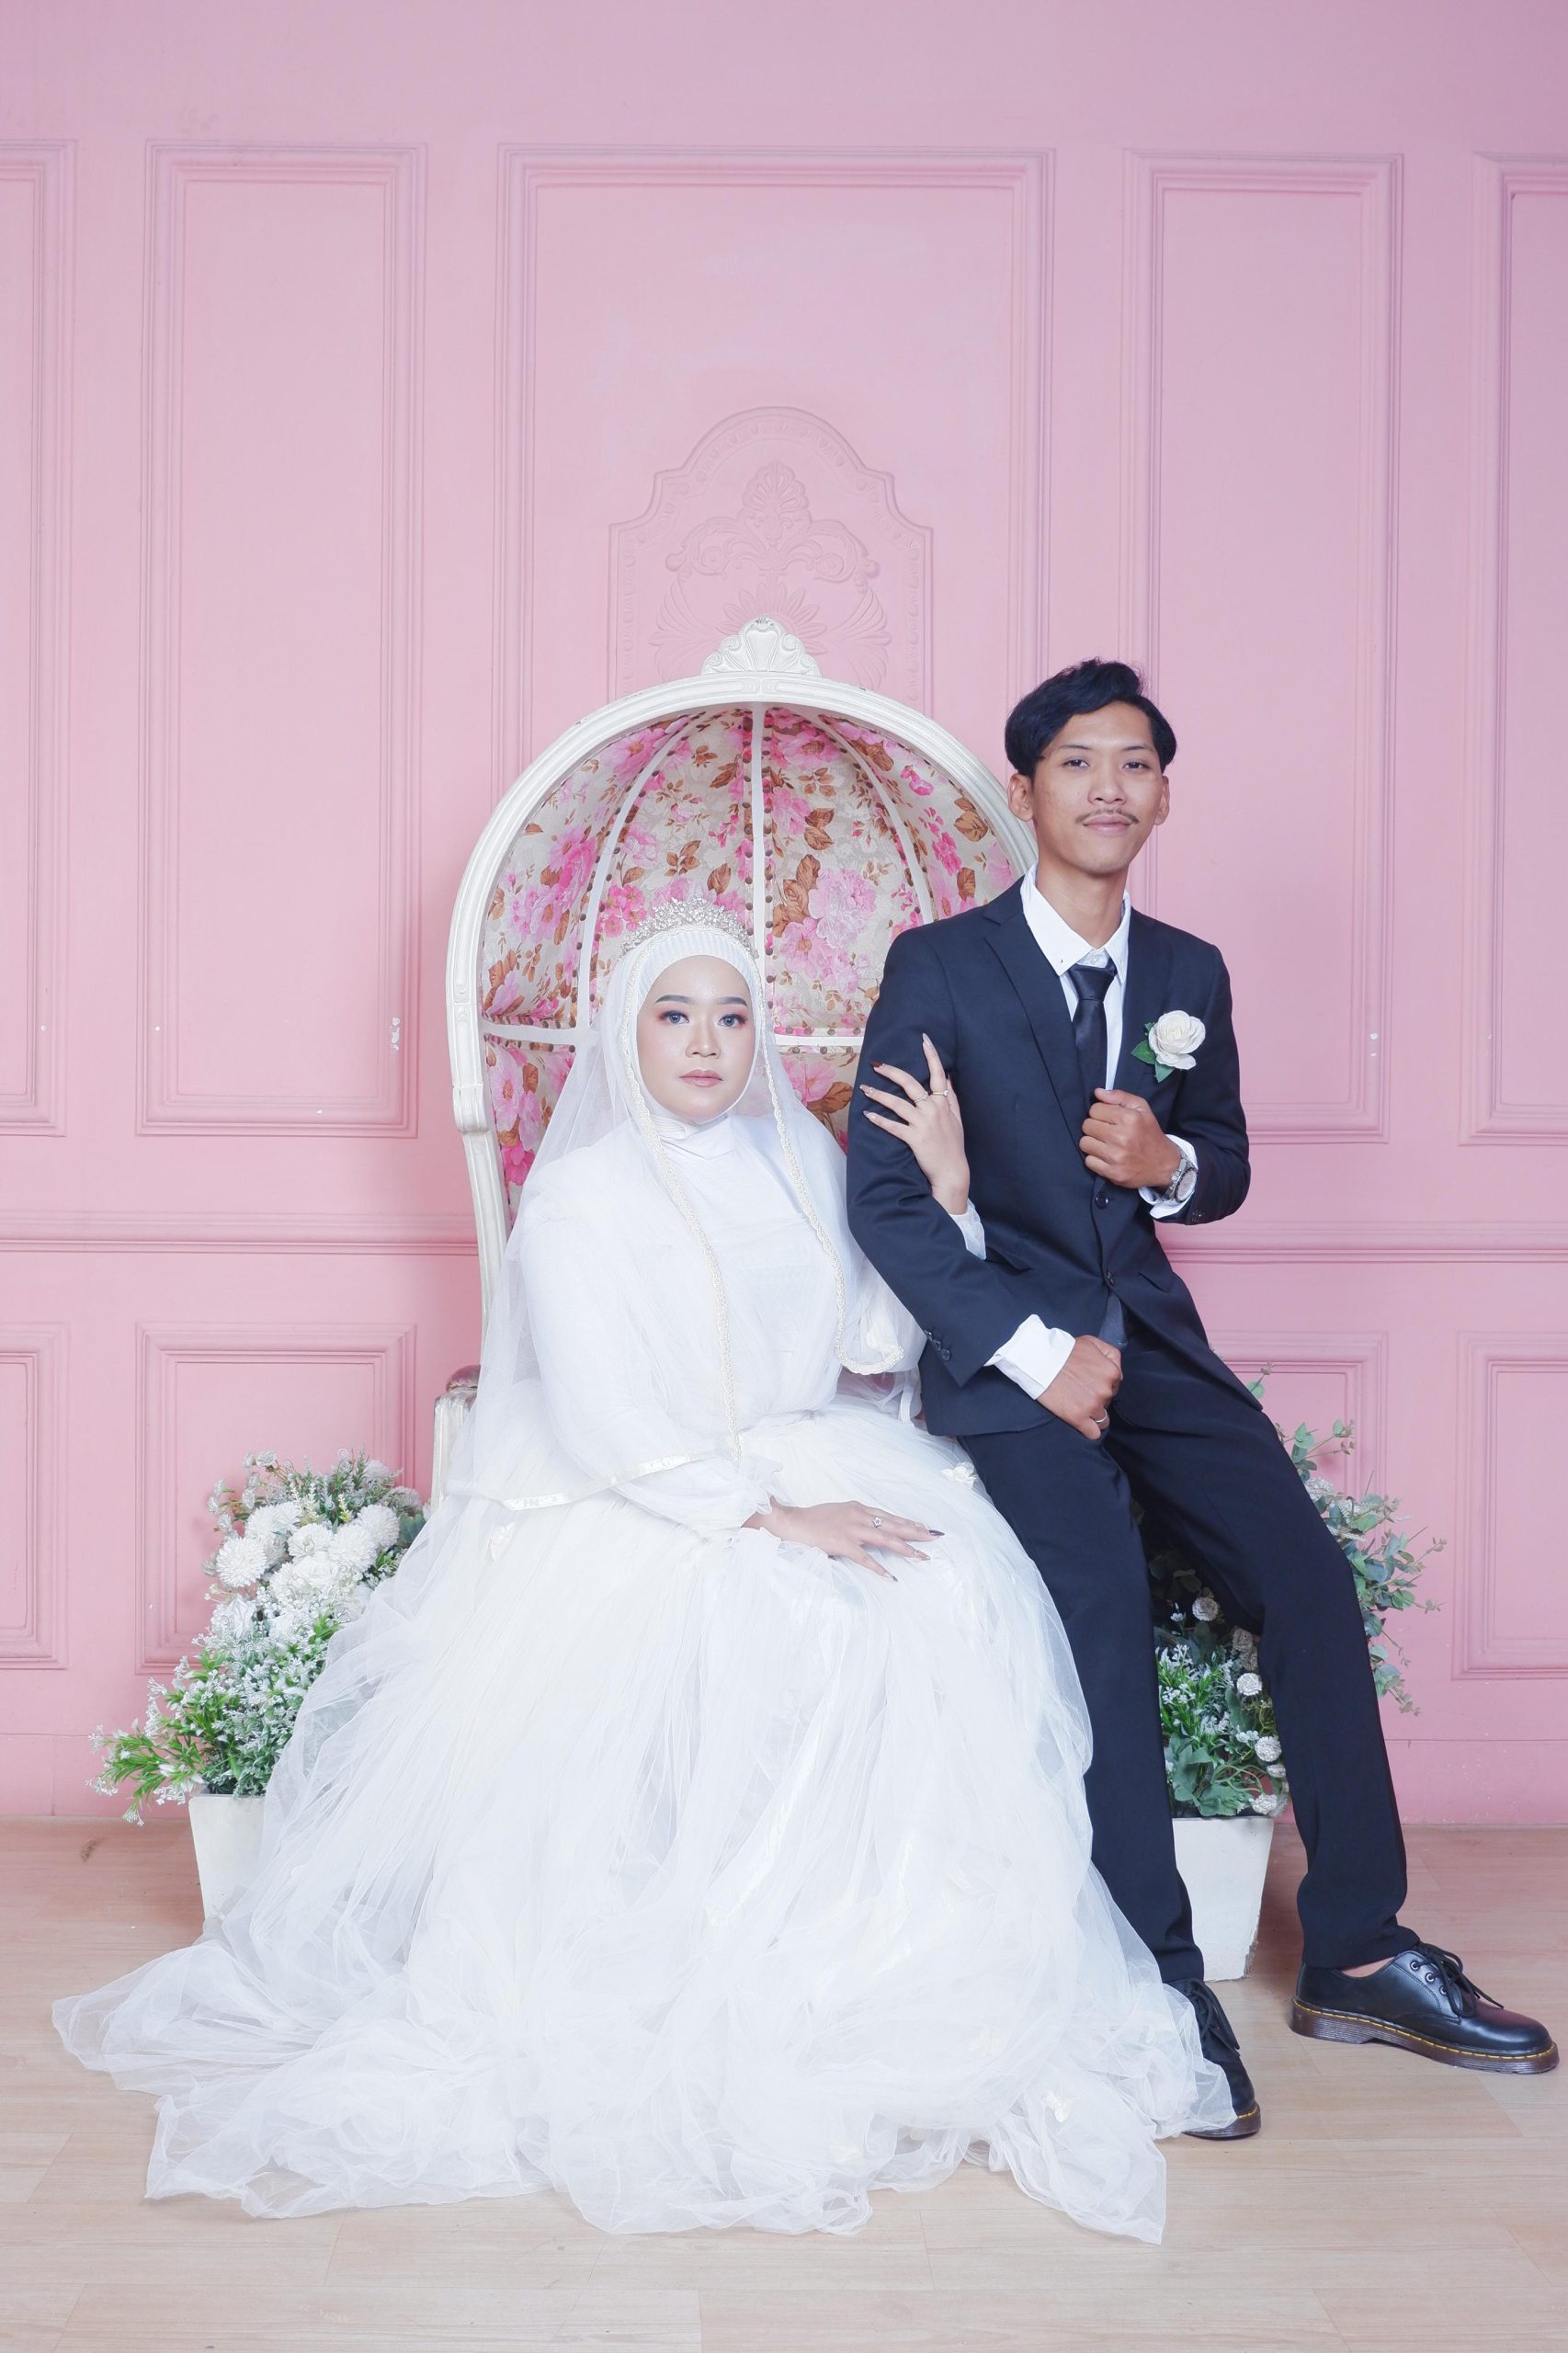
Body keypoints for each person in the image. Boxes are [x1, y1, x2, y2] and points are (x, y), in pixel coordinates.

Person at [54, 910, 1239, 2242]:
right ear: (627, 1032)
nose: (706, 1042)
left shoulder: (801, 1162)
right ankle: (709, 1961)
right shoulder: (581, 1196)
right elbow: (605, 1417)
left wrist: (948, 1197)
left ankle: (872, 1961)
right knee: (777, 1617)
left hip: (808, 1446)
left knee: (943, 1585)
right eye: (675, 1014)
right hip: (650, 1492)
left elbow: (871, 1342)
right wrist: (767, 1516)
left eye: (732, 1016)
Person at [846, 659, 1557, 2130]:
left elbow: (1220, 1159)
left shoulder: (1187, 972)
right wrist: (1033, 1352)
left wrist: (1164, 1162)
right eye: (1075, 762)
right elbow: (887, 1202)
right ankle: (1155, 1990)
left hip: (1157, 1348)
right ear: (1024, 790)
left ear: (1162, 795)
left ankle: (1355, 1950)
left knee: (1305, 1584)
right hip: (1010, 1365)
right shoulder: (937, 966)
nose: (1107, 787)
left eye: (1134, 764)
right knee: (1100, 1619)